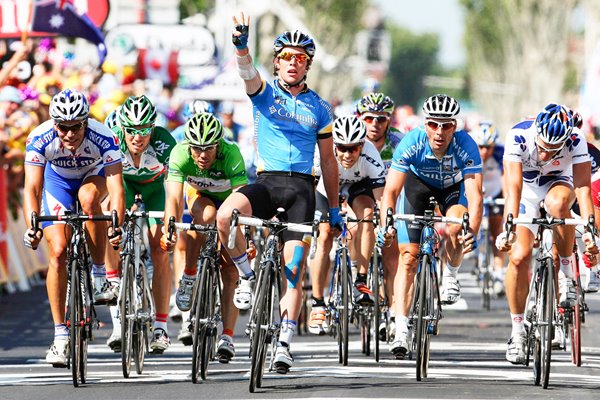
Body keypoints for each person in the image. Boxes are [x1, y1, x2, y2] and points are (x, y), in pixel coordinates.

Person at [215, 13, 340, 374]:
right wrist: (241, 46)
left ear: (308, 65)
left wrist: (333, 208)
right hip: (267, 183)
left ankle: (284, 341)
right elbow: (247, 73)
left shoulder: (320, 107)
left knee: (293, 269)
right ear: (277, 62)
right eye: (286, 56)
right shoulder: (265, 93)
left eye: (300, 58)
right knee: (225, 216)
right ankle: (246, 274)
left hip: (302, 187)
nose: (292, 63)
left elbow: (329, 162)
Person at [22, 88, 124, 366]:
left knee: (89, 198)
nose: (69, 134)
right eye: (63, 128)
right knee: (58, 252)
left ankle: (100, 273)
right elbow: (31, 186)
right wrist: (33, 225)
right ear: (54, 124)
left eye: (75, 127)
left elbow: (116, 187)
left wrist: (116, 223)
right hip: (58, 184)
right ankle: (60, 337)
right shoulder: (39, 138)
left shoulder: (104, 137)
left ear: (86, 122)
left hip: (94, 177)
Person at [379, 94, 483, 359]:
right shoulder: (411, 142)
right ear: (425, 124)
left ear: (455, 127)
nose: (439, 131)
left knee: (454, 227)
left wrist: (472, 230)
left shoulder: (466, 145)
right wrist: (386, 225)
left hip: (453, 188)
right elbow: (391, 191)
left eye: (446, 125)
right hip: (418, 186)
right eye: (434, 124)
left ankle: (451, 274)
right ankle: (401, 328)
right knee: (408, 257)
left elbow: (475, 194)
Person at [497, 104, 599, 364]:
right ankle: (517, 331)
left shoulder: (576, 140)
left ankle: (566, 273)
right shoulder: (518, 136)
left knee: (558, 205)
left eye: (552, 150)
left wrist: (589, 230)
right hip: (528, 191)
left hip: (558, 183)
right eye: (542, 146)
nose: (544, 153)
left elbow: (584, 189)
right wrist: (509, 227)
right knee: (519, 257)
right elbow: (513, 187)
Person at [160, 112, 248, 363]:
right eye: (197, 148)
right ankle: (189, 275)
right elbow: (174, 199)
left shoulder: (231, 154)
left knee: (230, 270)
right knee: (205, 216)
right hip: (200, 196)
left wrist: (243, 238)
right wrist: (170, 230)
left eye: (209, 148)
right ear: (189, 145)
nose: (202, 155)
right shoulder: (179, 153)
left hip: (230, 200)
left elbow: (241, 203)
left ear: (218, 144)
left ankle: (228, 336)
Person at [104, 95, 177, 354]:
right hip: (123, 185)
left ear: (152, 127)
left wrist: (169, 225)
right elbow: (109, 186)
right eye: (132, 131)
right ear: (123, 128)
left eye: (145, 130)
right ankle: (114, 292)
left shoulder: (164, 142)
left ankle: (161, 327)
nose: (138, 137)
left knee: (160, 250)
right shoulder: (112, 140)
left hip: (156, 190)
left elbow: (174, 189)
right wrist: (113, 220)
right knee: (110, 227)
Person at [309, 116, 385, 335]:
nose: (347, 155)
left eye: (353, 149)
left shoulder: (371, 155)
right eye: (342, 148)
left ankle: (361, 280)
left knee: (368, 215)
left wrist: (384, 225)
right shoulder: (320, 153)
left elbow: (381, 199)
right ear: (335, 145)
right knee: (324, 235)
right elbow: (310, 190)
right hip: (325, 187)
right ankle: (318, 303)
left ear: (362, 145)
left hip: (357, 187)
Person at [355, 92, 404, 339]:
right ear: (360, 118)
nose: (375, 125)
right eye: (369, 119)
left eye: (381, 119)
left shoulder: (398, 143)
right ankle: (356, 278)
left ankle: (393, 313)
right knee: (356, 227)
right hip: (360, 192)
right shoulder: (352, 138)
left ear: (389, 121)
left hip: (390, 198)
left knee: (392, 255)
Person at [469, 121, 506, 295]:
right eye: (481, 146)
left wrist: (507, 200)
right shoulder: (469, 152)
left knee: (497, 233)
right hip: (476, 192)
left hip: (495, 192)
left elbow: (507, 178)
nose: (484, 151)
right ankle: (478, 256)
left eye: (488, 147)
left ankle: (498, 274)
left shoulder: (500, 153)